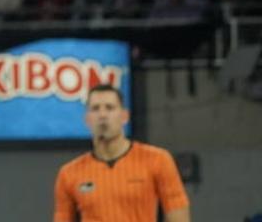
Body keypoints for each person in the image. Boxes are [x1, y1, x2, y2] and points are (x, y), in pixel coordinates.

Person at [53, 84, 189, 222]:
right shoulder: (69, 173)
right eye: (95, 108)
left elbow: (178, 215)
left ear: (124, 116)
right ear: (87, 119)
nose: (102, 115)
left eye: (109, 107)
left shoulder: (157, 160)